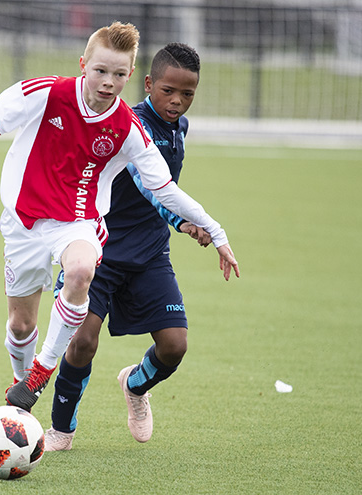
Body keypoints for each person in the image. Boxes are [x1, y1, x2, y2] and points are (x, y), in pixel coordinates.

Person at [0, 23, 238, 413]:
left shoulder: (128, 127)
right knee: (20, 326)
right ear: (83, 65)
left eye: (117, 74)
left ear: (130, 76)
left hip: (77, 222)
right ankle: (20, 381)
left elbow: (163, 188)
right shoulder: (48, 91)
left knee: (80, 271)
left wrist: (215, 230)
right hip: (24, 221)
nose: (108, 82)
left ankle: (42, 371)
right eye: (100, 71)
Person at [45, 42, 231, 450]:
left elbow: (167, 186)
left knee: (174, 346)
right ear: (148, 84)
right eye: (168, 91)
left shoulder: (179, 127)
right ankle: (61, 430)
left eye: (188, 95)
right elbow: (150, 186)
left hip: (149, 254)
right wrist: (182, 221)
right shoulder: (129, 123)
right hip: (98, 247)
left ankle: (135, 384)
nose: (178, 102)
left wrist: (185, 223)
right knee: (81, 342)